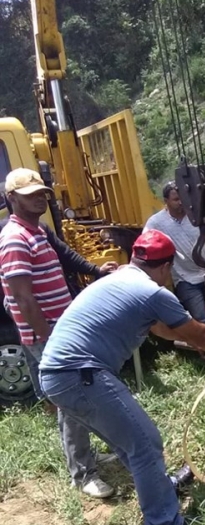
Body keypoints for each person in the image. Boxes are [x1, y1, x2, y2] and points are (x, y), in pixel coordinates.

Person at [39, 229, 205, 525]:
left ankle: (160, 490)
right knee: (145, 444)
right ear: (167, 267)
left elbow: (163, 329)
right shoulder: (153, 292)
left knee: (130, 443)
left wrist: (193, 336)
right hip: (80, 374)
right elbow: (199, 333)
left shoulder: (118, 280)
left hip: (55, 375)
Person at [0, 167, 115, 497]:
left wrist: (96, 271)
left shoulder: (38, 230)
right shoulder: (14, 239)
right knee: (72, 401)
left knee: (73, 398)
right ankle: (82, 472)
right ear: (11, 199)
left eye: (41, 194)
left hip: (58, 330)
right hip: (46, 336)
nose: (39, 199)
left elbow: (64, 255)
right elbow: (22, 297)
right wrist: (50, 340)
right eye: (30, 195)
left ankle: (85, 457)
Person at [143, 181, 205, 322]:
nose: (181, 202)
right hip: (185, 279)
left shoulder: (197, 214)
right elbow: (145, 242)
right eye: (176, 199)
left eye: (183, 199)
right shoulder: (156, 222)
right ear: (166, 201)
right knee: (202, 318)